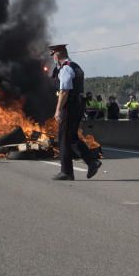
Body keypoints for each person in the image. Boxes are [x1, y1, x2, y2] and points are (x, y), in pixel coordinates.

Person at [48, 44, 101, 181]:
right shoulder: (75, 66)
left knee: (64, 139)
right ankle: (92, 162)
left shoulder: (65, 68)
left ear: (58, 54)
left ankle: (66, 172)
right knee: (71, 137)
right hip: (77, 105)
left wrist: (58, 109)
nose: (53, 57)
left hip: (69, 106)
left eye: (53, 54)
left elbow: (64, 91)